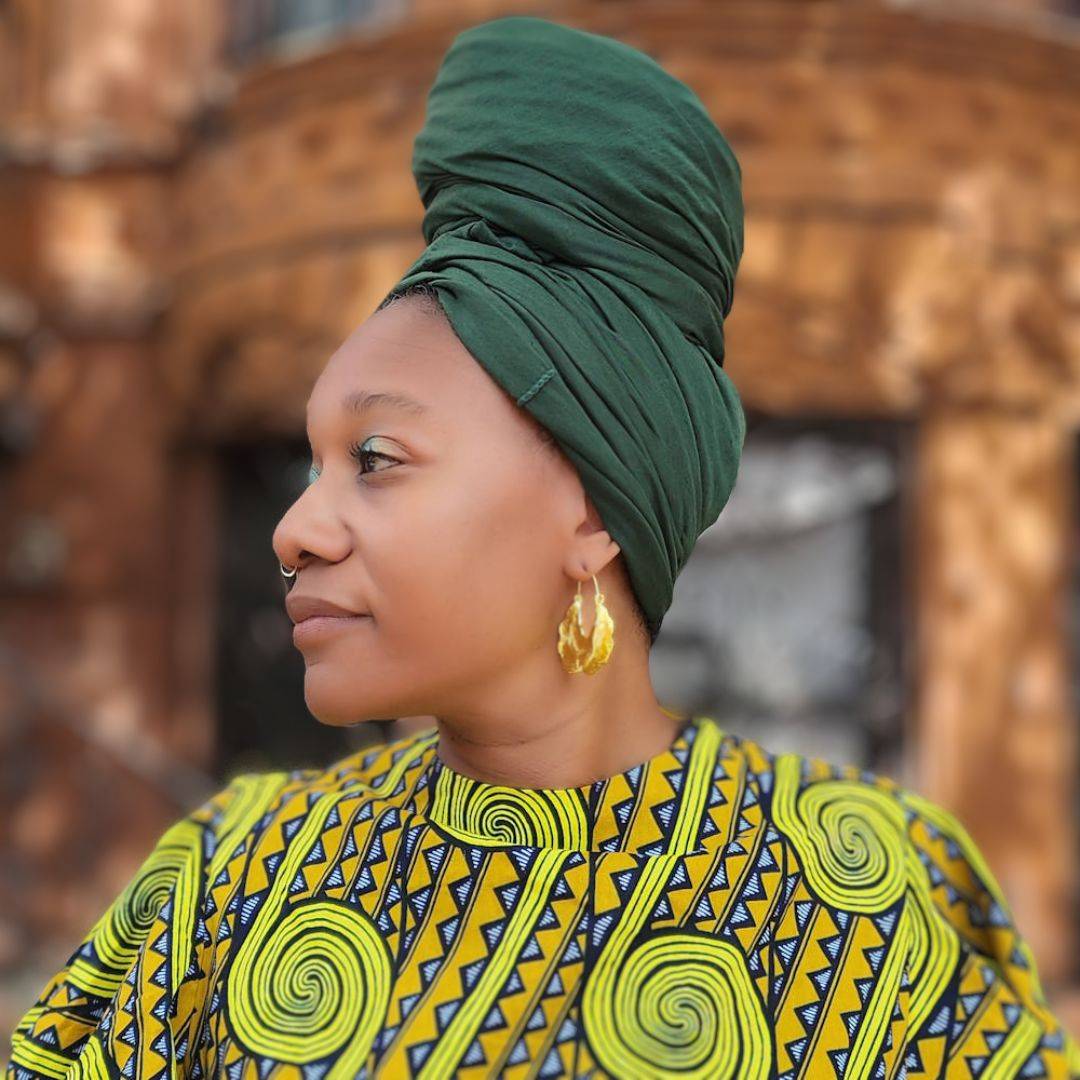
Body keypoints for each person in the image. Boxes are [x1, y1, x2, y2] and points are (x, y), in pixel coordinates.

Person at [8, 15, 1079, 1080]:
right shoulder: (231, 879)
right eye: (310, 464)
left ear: (595, 512)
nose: (295, 528)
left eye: (375, 458)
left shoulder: (873, 896)